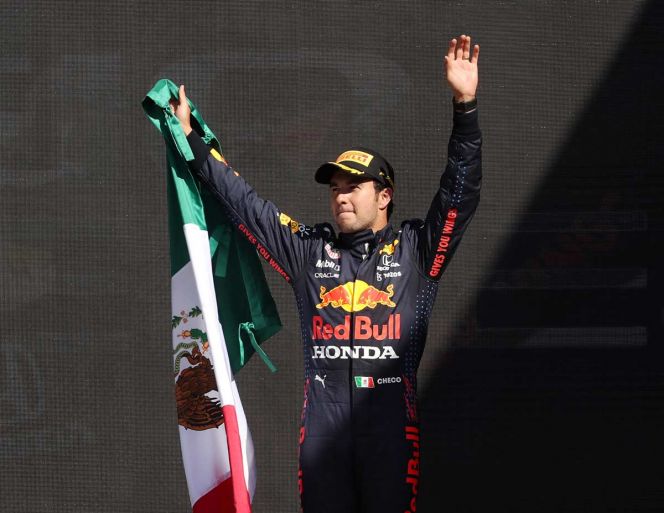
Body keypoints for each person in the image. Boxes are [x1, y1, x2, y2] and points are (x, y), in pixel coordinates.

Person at [171, 34, 481, 513]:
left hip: (391, 429)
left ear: (384, 196)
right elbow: (246, 206)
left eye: (353, 186)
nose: (341, 195)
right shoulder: (309, 252)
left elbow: (459, 194)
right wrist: (191, 141)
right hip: (323, 428)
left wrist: (465, 107)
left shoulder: (417, 251)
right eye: (335, 187)